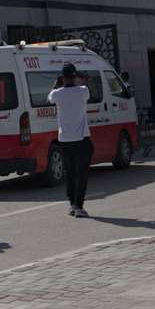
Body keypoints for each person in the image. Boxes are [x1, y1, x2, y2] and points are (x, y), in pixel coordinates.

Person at [49, 65, 94, 217]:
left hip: (65, 139)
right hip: (82, 138)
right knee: (82, 173)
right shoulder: (83, 91)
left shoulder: (57, 94)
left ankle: (72, 204)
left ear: (62, 78)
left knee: (70, 172)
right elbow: (86, 90)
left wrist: (57, 84)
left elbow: (49, 97)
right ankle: (79, 205)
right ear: (74, 77)